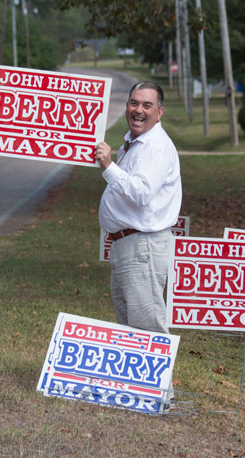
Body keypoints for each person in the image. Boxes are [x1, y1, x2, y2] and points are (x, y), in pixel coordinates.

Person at [95, 81, 182, 334]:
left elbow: (141, 192)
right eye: (134, 103)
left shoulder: (155, 146)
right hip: (128, 244)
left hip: (143, 247)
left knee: (147, 327)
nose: (139, 110)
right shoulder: (135, 142)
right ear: (127, 106)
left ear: (159, 112)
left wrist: (108, 166)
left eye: (147, 105)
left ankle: (161, 364)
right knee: (131, 329)